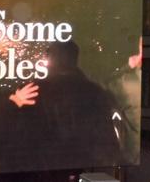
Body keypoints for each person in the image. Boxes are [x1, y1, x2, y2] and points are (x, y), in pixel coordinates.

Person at [10, 40, 122, 170]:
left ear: (50, 59)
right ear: (75, 59)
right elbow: (106, 141)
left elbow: (18, 137)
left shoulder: (31, 91)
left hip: (41, 169)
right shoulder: (95, 92)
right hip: (84, 167)